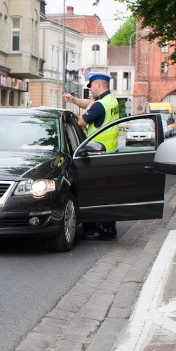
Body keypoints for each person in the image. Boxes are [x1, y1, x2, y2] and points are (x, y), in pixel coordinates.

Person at [64, 71, 120, 240]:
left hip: (98, 156)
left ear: (98, 85)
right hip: (110, 154)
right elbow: (90, 104)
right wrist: (74, 100)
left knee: (96, 194)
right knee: (108, 195)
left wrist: (88, 105)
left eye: (91, 86)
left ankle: (100, 229)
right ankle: (109, 229)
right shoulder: (112, 100)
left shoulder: (98, 105)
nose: (90, 91)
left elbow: (82, 121)